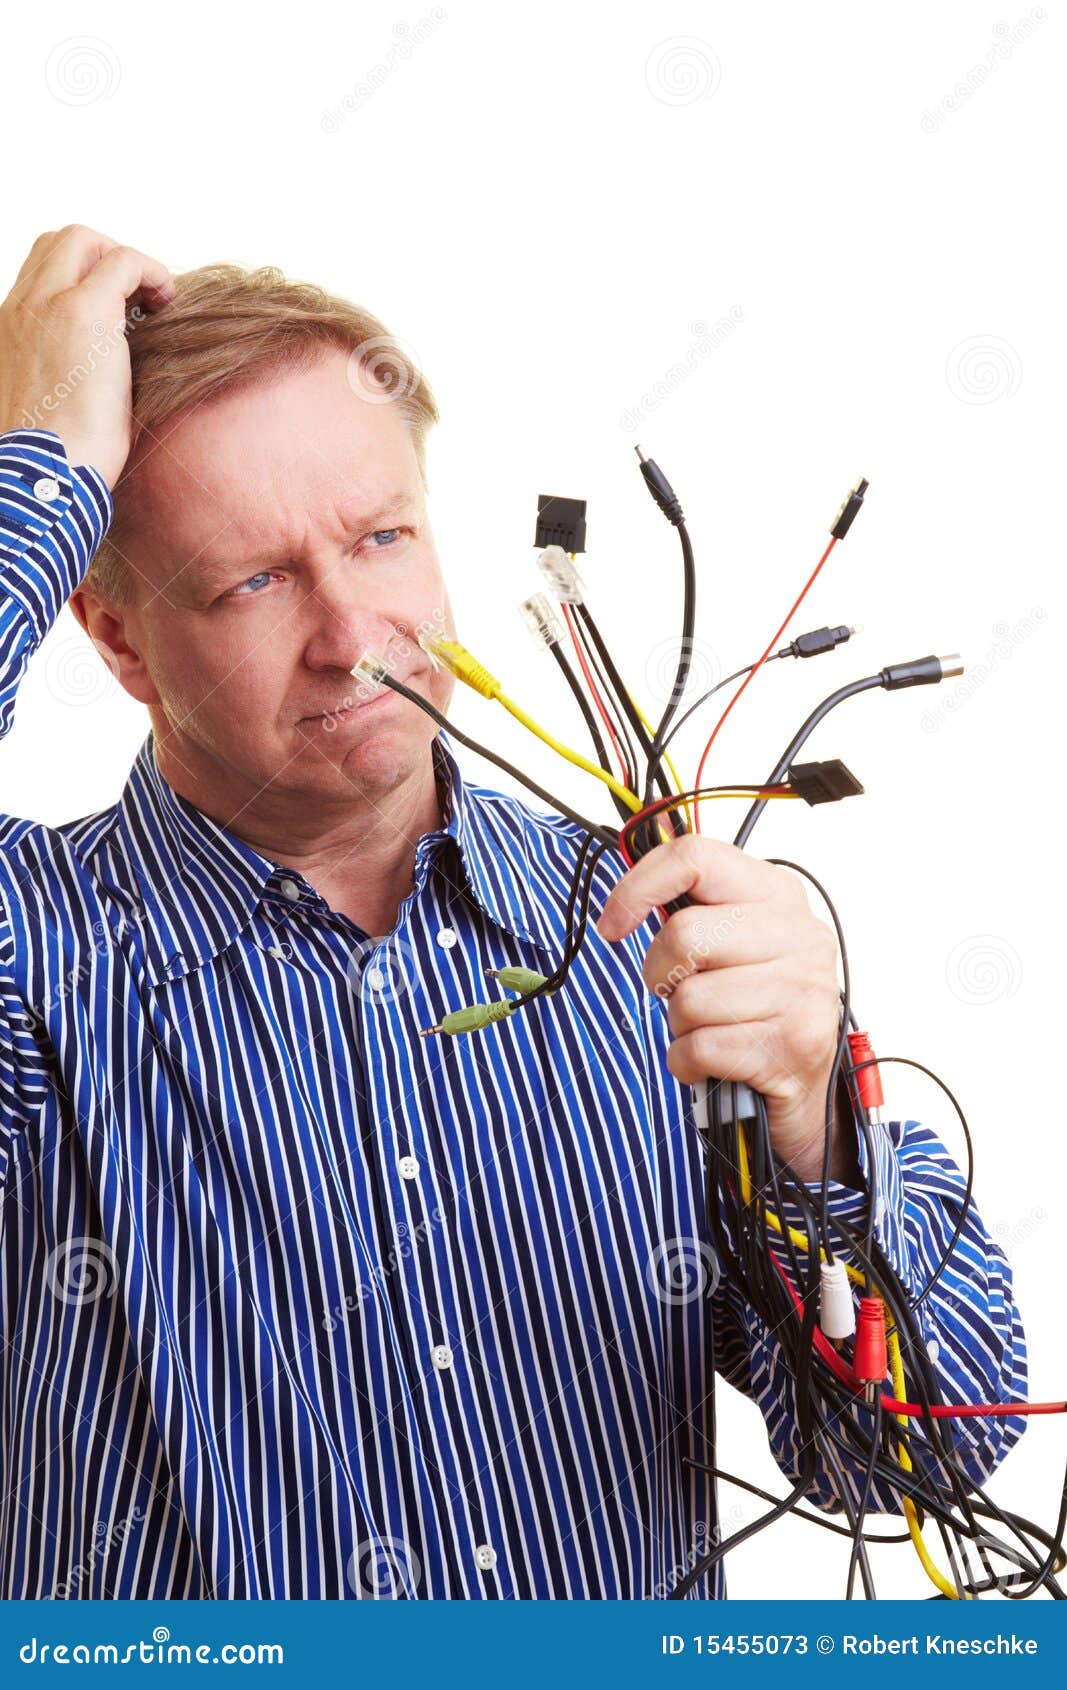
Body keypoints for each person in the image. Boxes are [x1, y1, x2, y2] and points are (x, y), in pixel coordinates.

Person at [0, 226, 1026, 1600]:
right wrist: (42, 473)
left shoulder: (654, 933)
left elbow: (925, 1456)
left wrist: (815, 1137)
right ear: (118, 638)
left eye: (380, 536)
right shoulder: (38, 955)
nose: (352, 631)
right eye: (254, 579)